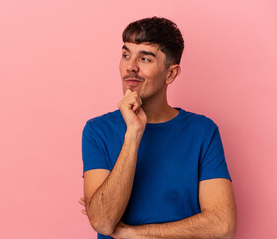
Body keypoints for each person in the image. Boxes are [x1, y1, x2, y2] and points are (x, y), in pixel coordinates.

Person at [79, 16, 236, 239]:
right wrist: (133, 134)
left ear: (170, 73)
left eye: (145, 58)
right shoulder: (97, 131)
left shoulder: (203, 131)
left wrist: (130, 233)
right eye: (126, 55)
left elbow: (222, 226)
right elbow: (103, 222)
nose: (130, 67)